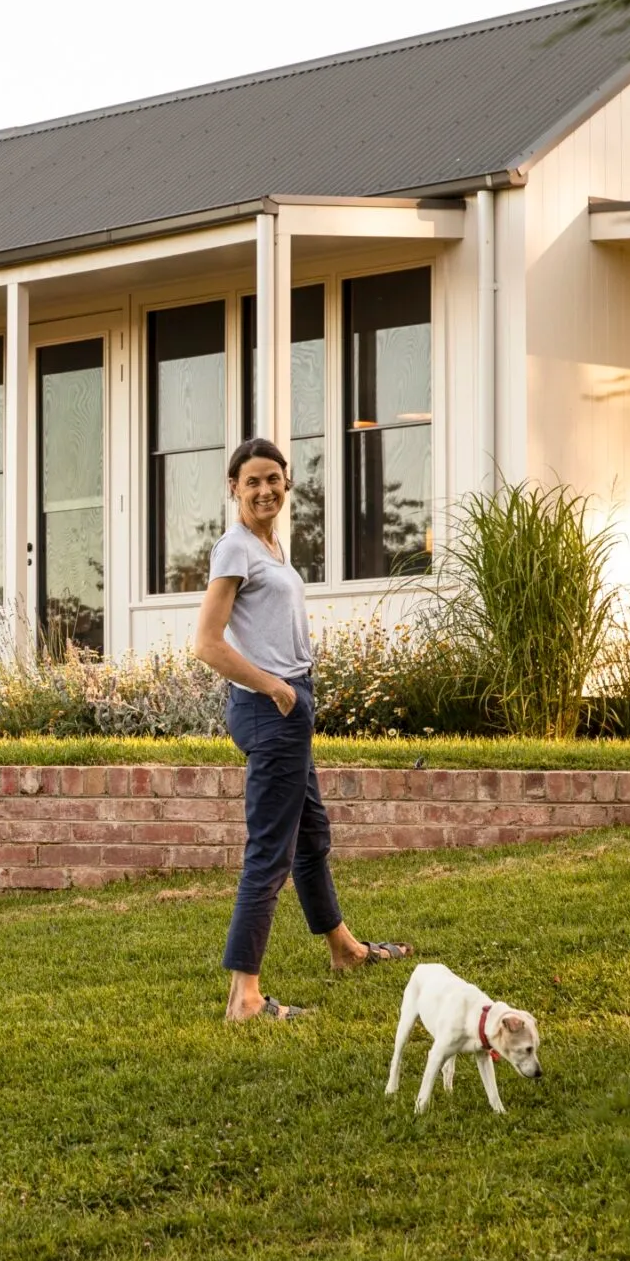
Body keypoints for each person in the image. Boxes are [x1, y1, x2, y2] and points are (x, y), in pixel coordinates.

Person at [191, 436, 410, 1022]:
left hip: (287, 707)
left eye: (273, 479)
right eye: (252, 480)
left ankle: (345, 950)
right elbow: (208, 644)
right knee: (270, 851)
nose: (265, 489)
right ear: (233, 487)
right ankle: (244, 997)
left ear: (287, 483)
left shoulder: (269, 544)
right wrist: (276, 687)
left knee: (311, 835)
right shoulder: (234, 548)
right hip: (273, 711)